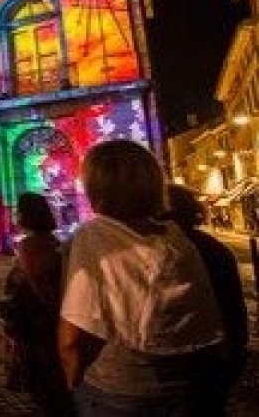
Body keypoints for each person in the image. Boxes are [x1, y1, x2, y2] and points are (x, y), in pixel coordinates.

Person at [59, 140, 225, 416]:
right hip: (190, 382)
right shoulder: (176, 236)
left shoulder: (94, 235)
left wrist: (73, 381)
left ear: (95, 187)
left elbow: (70, 337)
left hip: (121, 386)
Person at [161, 184, 249, 415]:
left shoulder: (160, 251)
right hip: (217, 354)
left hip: (177, 360)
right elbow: (233, 306)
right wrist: (236, 349)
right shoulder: (215, 249)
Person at [2, 192, 73, 417]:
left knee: (46, 392)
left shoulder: (29, 247)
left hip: (38, 328)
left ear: (25, 215)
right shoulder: (57, 243)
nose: (14, 215)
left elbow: (37, 287)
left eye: (17, 211)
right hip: (57, 323)